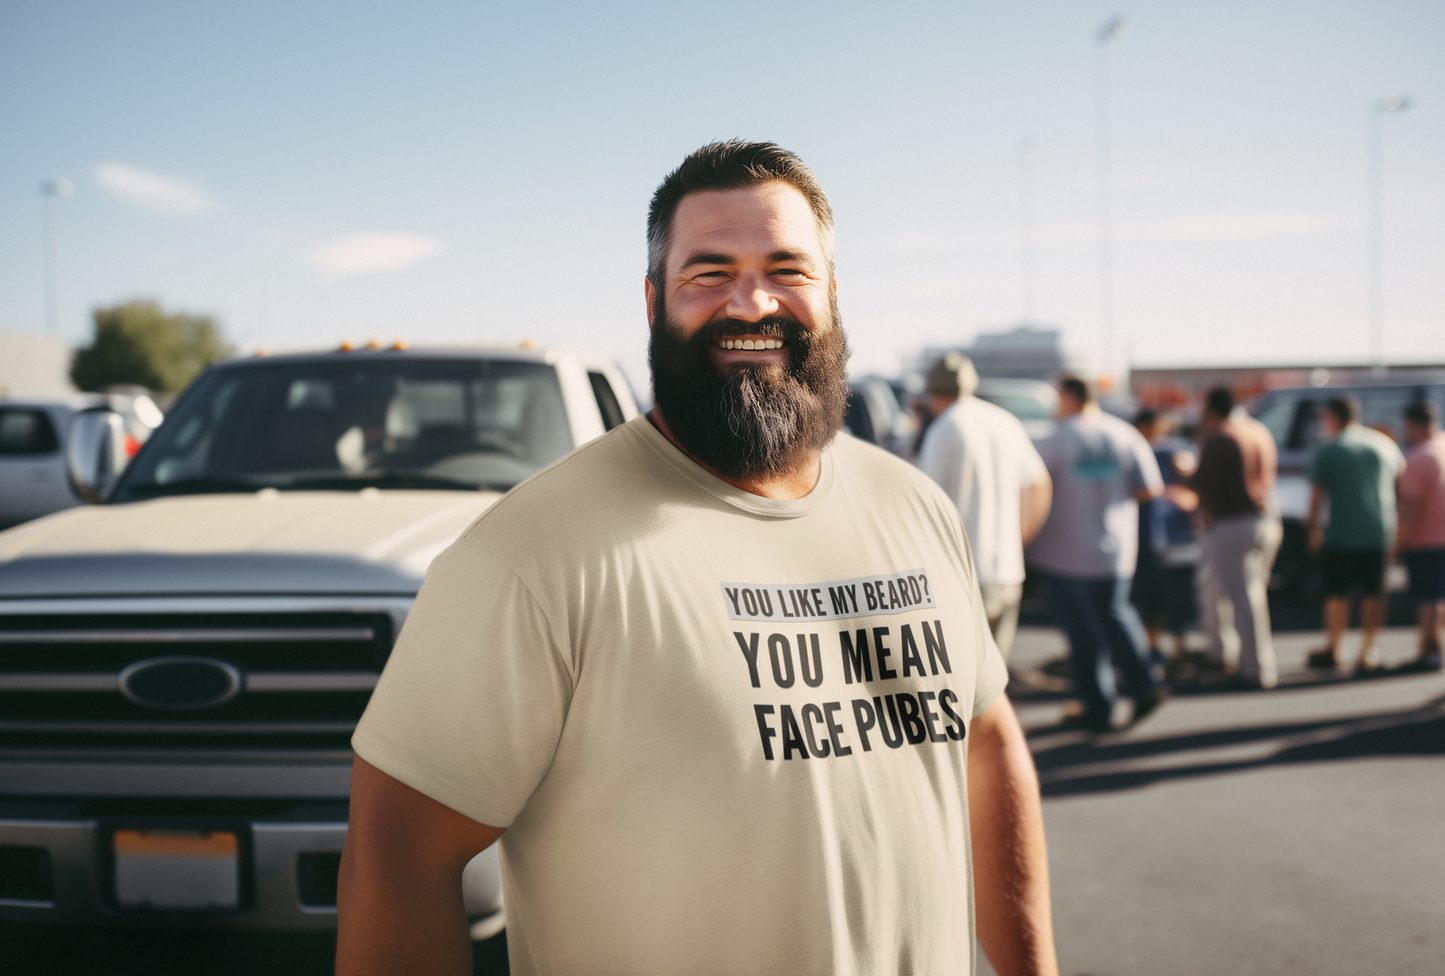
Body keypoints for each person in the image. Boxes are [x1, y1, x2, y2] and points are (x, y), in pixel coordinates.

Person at [337, 141, 1058, 976]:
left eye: (786, 269)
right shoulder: (529, 555)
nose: (751, 302)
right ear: (653, 302)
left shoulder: (915, 507)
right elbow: (397, 857)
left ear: (832, 292)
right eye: (707, 274)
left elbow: (984, 745)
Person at [1026, 376, 1167, 732]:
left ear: (1068, 397)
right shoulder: (1125, 434)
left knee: (1084, 635)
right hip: (1116, 550)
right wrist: (1109, 499)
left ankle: (1098, 706)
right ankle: (1144, 685)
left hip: (1066, 553)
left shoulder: (1053, 439)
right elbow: (1150, 488)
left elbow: (1030, 488)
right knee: (1120, 618)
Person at [917, 352, 1053, 660]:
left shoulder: (944, 428)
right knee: (993, 686)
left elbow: (924, 502)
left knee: (961, 685)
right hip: (1008, 571)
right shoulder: (1004, 421)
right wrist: (1020, 539)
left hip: (962, 577)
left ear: (932, 393)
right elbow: (1040, 484)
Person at [1305, 395, 1405, 674]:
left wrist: (1312, 529)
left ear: (1333, 417)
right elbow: (1400, 488)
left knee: (1337, 592)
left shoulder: (1330, 449)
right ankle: (1368, 650)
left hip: (1340, 531)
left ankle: (1336, 646)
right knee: (1375, 592)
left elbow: (1317, 497)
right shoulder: (1384, 444)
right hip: (1379, 530)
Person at [1191, 388, 1282, 689]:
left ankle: (1256, 669)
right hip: (1265, 518)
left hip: (1233, 522)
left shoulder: (1220, 436)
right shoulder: (1257, 430)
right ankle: (1223, 653)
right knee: (1223, 591)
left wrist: (1182, 471)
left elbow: (1202, 483)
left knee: (1243, 598)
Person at [1128, 408, 1199, 664]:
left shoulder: (1159, 450)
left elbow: (1188, 467)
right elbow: (1188, 467)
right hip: (1154, 537)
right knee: (1157, 596)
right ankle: (1155, 646)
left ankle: (1165, 646)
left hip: (1159, 537)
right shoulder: (1149, 451)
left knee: (1160, 596)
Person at [1397, 400, 1445, 672]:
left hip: (1425, 538)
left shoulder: (1417, 458)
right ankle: (1434, 647)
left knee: (1427, 597)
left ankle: (1430, 649)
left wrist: (1399, 540)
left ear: (1414, 425)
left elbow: (1410, 508)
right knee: (1440, 595)